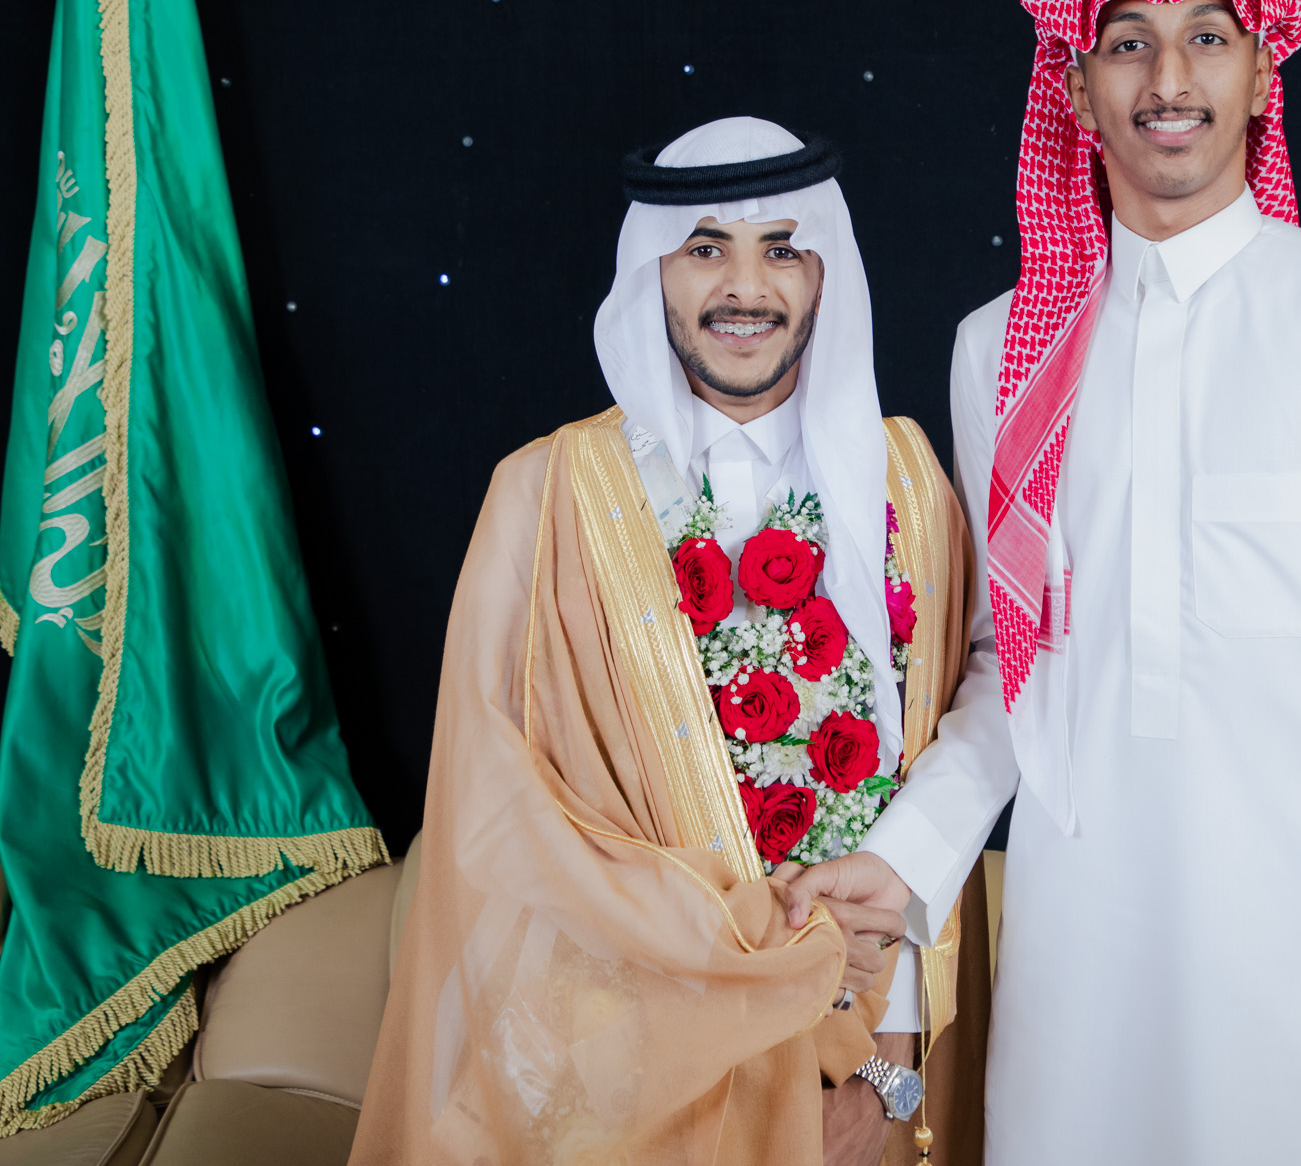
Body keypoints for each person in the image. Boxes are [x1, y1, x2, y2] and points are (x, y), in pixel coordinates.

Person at [783, 0, 1301, 1165]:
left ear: (1261, 77)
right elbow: (1012, 674)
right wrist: (904, 862)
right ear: (1075, 91)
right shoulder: (1001, 352)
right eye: (1126, 45)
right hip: (1078, 995)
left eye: (1208, 39)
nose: (1168, 79)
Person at [352, 118, 989, 1166]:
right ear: (652, 271)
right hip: (618, 1069)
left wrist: (883, 1080)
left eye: (781, 248)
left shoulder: (910, 487)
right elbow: (497, 809)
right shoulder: (545, 494)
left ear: (824, 273)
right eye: (704, 249)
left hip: (858, 1065)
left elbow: (927, 796)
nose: (745, 287)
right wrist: (747, 953)